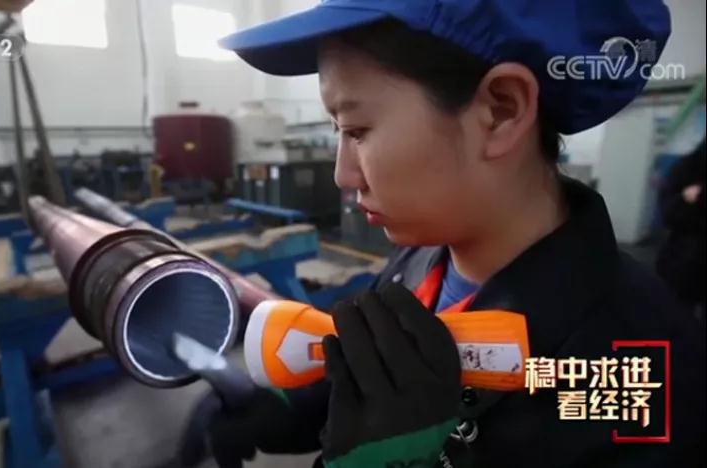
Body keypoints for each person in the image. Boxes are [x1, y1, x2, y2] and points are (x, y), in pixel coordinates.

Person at [199, 1, 706, 467]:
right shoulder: (420, 260)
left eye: (357, 131)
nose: (343, 175)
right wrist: (309, 400)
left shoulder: (647, 374)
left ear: (501, 111)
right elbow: (386, 363)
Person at [656, 139, 706, 315]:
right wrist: (687, 199)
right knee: (678, 315)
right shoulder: (687, 168)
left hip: (687, 257)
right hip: (687, 260)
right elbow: (669, 214)